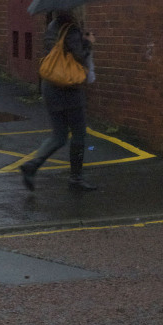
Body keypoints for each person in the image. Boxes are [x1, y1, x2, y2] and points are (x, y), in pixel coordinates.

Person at [20, 10, 97, 192]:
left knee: (59, 135)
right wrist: (88, 42)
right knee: (79, 134)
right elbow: (79, 56)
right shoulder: (71, 30)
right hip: (68, 89)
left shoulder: (52, 27)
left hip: (50, 87)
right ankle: (76, 179)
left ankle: (32, 165)